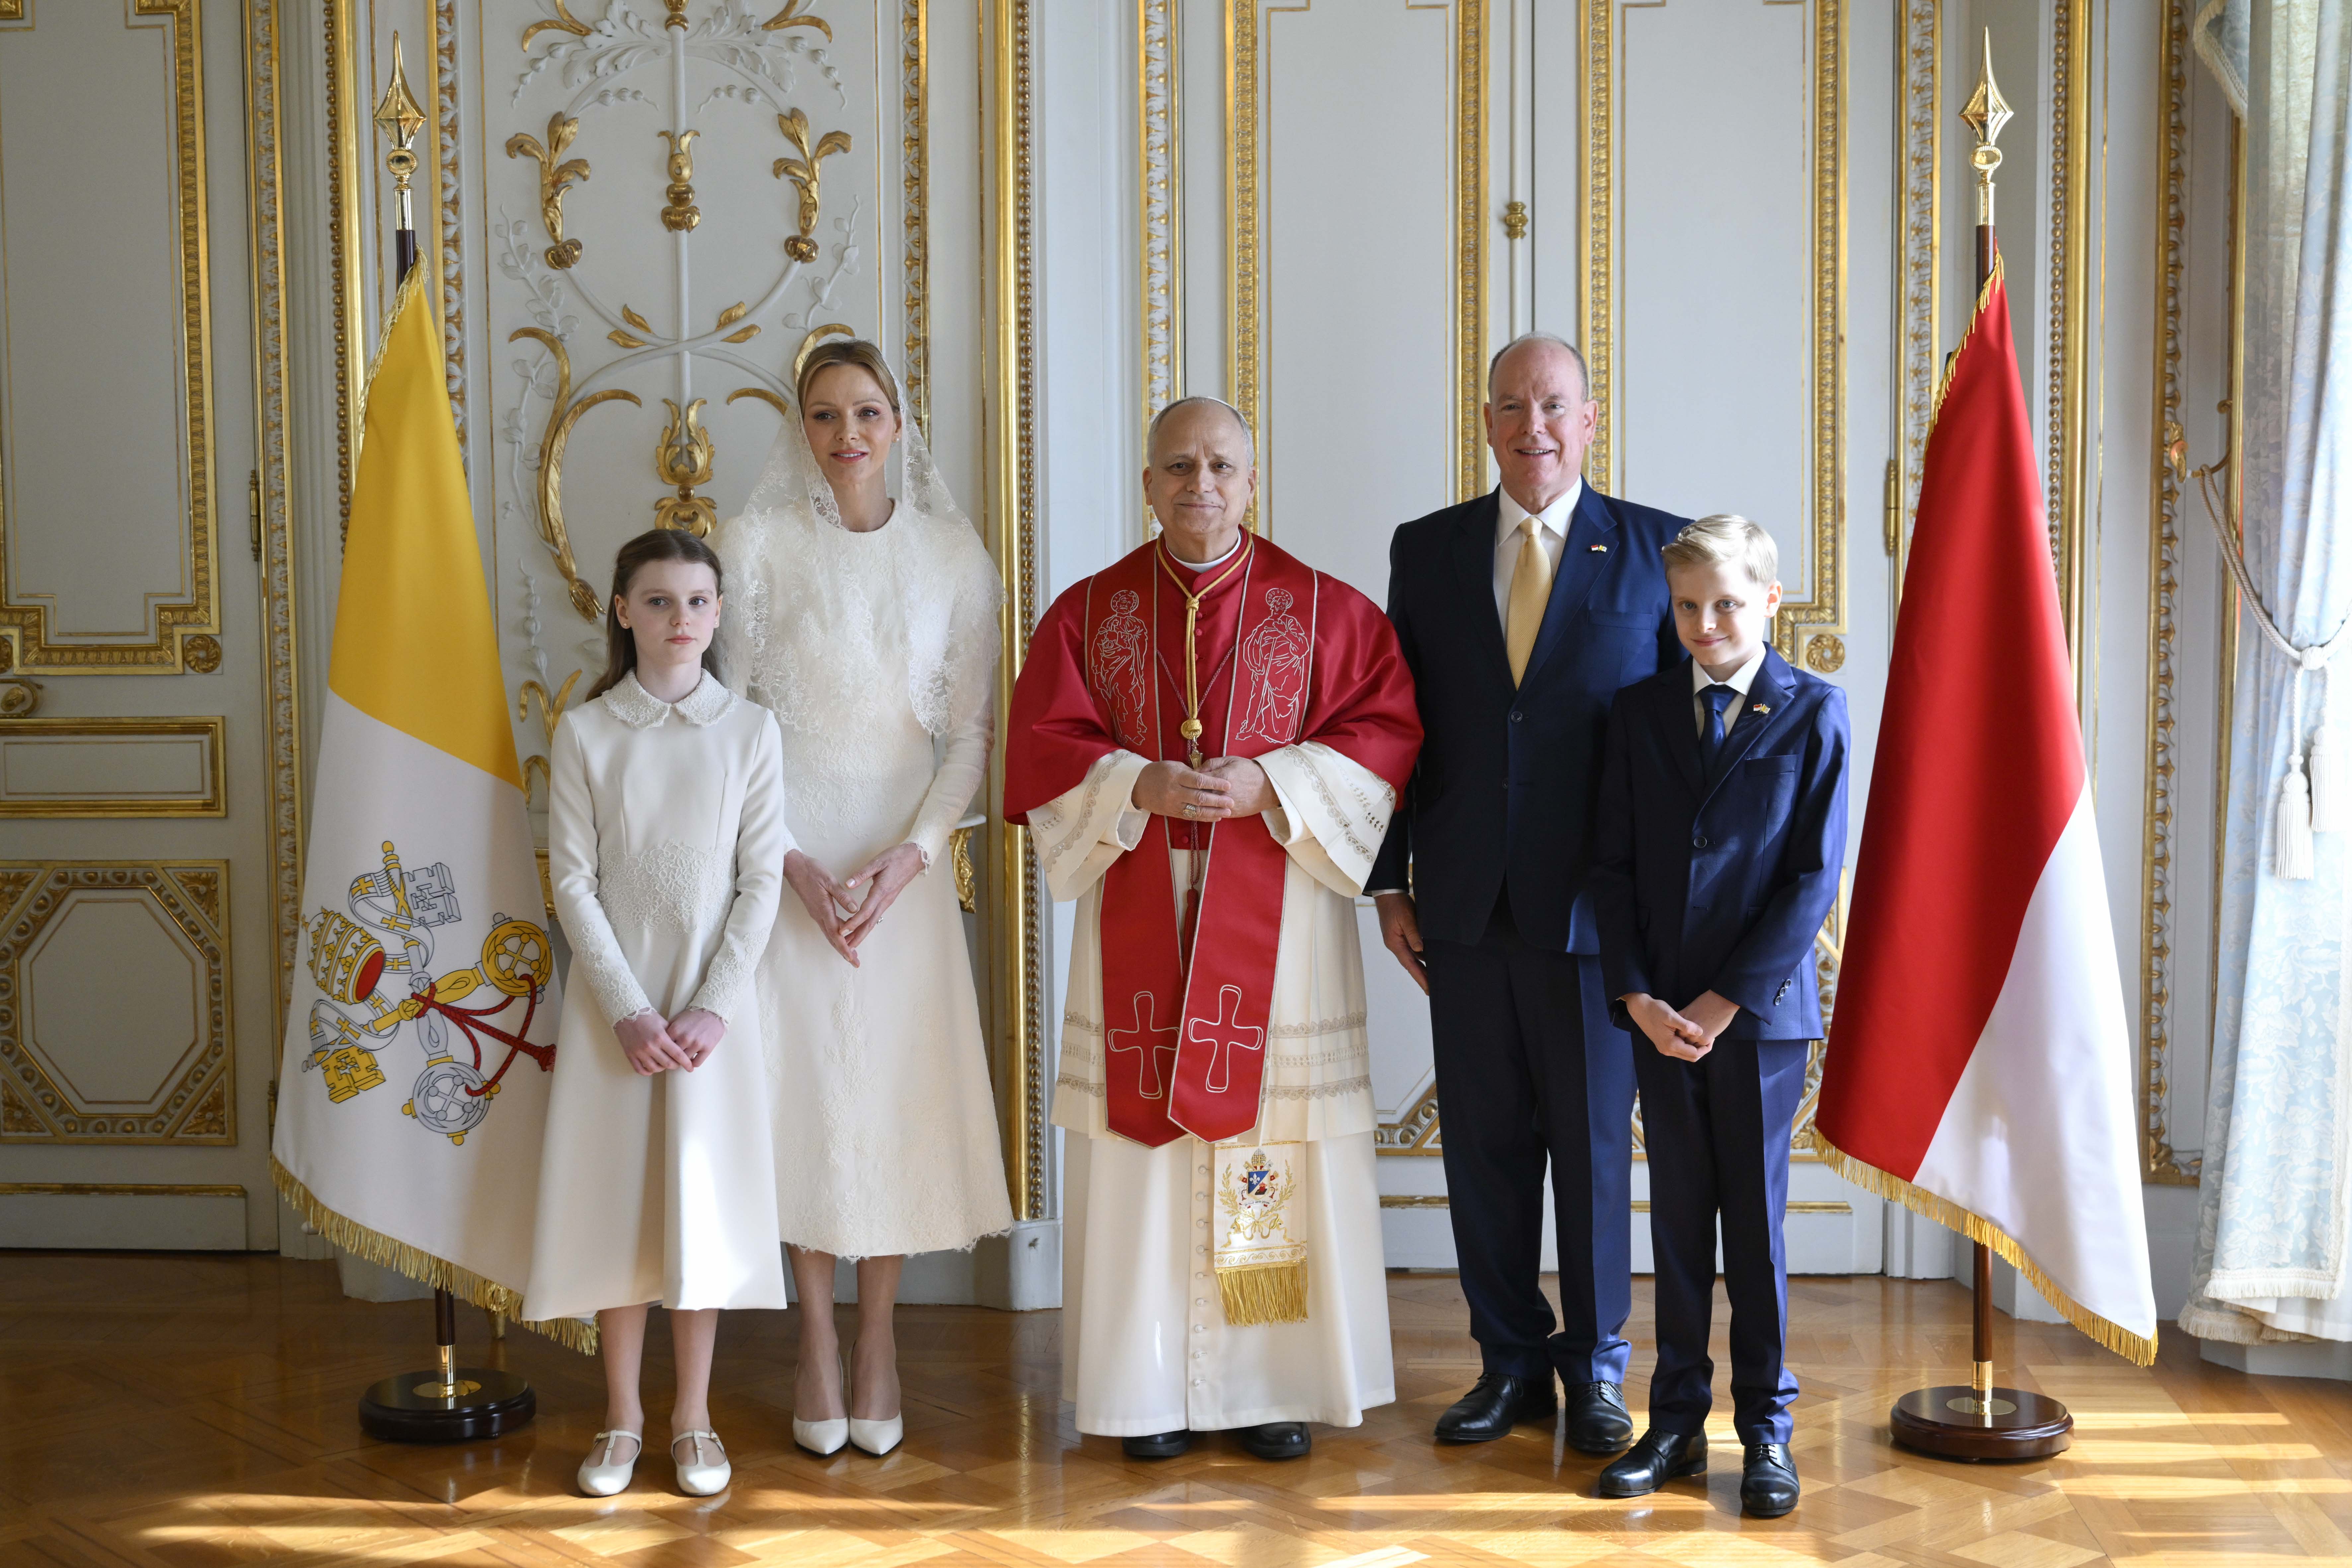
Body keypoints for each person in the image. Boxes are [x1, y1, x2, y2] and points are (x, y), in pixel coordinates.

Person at [1003, 397, 1422, 1462]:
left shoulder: (1325, 611)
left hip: (1281, 920)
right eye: (1180, 466)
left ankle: (1266, 1385)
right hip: (1137, 894)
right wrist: (1135, 784)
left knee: (1266, 1141)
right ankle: (1144, 1386)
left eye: (1221, 466)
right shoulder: (1089, 613)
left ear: (1251, 481)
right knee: (1144, 1151)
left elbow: (1384, 733)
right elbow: (1044, 743)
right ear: (1149, 483)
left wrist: (1274, 784)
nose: (1202, 485)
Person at [1368, 333, 1685, 1451]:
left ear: (1589, 421)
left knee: (1594, 1154)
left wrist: (1668, 915)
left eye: (1554, 406)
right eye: (1512, 406)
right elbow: (1395, 727)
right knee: (1484, 1151)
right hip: (1461, 905)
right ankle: (1507, 1364)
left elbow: (1679, 748)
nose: (1532, 427)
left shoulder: (1657, 550)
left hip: (1598, 918)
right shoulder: (1427, 550)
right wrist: (1389, 881)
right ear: (1487, 422)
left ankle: (1595, 1369)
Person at [713, 339, 1011, 1460]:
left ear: (899, 424)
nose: (848, 434)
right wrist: (786, 862)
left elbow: (969, 737)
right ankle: (814, 1343)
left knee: (887, 1095)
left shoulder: (953, 555)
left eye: (868, 412)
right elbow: (728, 723)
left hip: (900, 871)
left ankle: (878, 1338)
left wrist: (912, 856)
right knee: (800, 1092)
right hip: (788, 861)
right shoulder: (753, 546)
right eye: (827, 414)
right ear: (802, 429)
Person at [1588, 514, 1848, 1516]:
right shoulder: (1639, 712)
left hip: (1758, 1019)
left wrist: (1724, 998)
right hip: (1660, 1014)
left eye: (1727, 604)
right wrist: (1638, 995)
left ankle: (1767, 1429)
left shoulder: (1814, 711)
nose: (1705, 624)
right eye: (1688, 606)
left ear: (1770, 601)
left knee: (1755, 1229)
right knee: (1680, 1221)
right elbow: (1612, 865)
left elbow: (1811, 880)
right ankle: (1675, 1424)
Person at [524, 529, 791, 1499]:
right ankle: (623, 1417)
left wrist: (714, 1008)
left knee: (697, 1206)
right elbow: (573, 883)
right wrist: (627, 1010)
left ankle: (693, 1418)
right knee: (616, 1202)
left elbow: (762, 881)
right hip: (618, 1010)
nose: (682, 619)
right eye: (660, 601)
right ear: (624, 612)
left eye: (698, 602)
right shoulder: (587, 733)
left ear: (718, 615)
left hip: (713, 1011)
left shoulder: (751, 731)